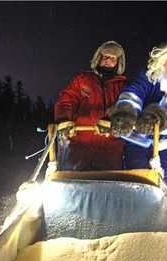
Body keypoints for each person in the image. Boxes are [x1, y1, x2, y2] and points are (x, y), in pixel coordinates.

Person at [106, 42, 167, 187]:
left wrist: (157, 119)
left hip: (166, 144)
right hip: (138, 141)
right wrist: (126, 113)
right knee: (135, 179)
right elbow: (135, 91)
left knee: (161, 183)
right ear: (162, 61)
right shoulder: (148, 76)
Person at [54, 40, 127, 171]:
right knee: (72, 184)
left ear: (118, 62)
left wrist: (113, 120)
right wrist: (63, 119)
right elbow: (67, 100)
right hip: (80, 145)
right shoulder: (81, 80)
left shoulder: (123, 85)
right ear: (99, 58)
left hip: (111, 148)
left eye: (113, 58)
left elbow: (127, 107)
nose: (108, 60)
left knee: (110, 185)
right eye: (106, 56)